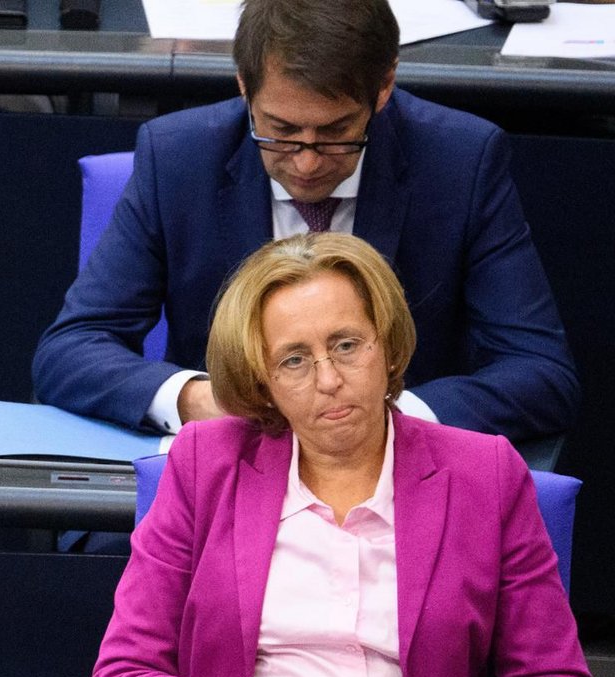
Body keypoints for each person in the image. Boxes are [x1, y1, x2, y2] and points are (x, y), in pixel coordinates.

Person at [91, 232, 593, 677]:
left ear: (389, 348)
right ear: (262, 380)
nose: (328, 379)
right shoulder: (206, 464)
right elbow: (127, 673)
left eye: (346, 345)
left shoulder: (483, 474)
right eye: (293, 360)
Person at [33, 0, 578, 445]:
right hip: (227, 476)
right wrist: (199, 400)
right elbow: (71, 350)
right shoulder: (178, 159)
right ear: (244, 87)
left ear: (383, 88)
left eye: (338, 131)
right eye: (281, 130)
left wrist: (387, 417)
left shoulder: (461, 162)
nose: (308, 161)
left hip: (393, 483)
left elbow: (540, 374)